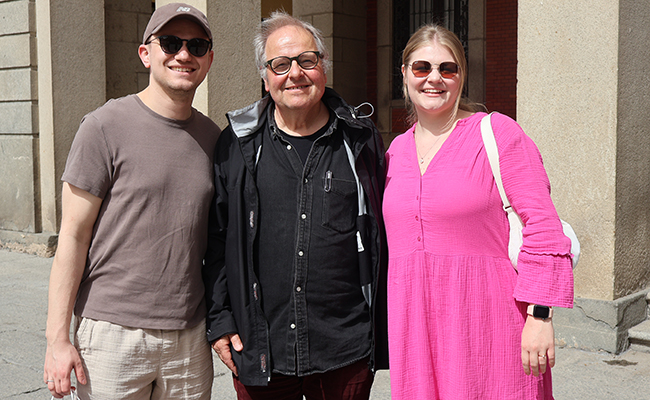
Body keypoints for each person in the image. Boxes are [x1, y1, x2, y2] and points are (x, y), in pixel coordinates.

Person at [202, 11, 388, 400]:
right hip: (260, 349)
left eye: (307, 60)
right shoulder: (237, 145)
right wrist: (220, 320)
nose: (295, 74)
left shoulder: (360, 139)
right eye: (280, 64)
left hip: (345, 352)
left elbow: (382, 235)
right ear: (265, 75)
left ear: (324, 65)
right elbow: (218, 241)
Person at [382, 24, 574, 399]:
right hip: (416, 336)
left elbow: (543, 225)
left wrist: (540, 316)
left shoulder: (497, 133)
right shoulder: (392, 153)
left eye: (447, 68)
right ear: (404, 73)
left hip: (491, 330)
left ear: (462, 75)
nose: (434, 78)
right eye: (422, 67)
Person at [43, 3, 220, 399]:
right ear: (146, 54)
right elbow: (72, 236)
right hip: (112, 335)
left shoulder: (214, 139)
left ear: (209, 59)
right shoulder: (103, 127)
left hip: (189, 338)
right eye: (170, 43)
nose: (183, 54)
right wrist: (57, 339)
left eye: (196, 46)